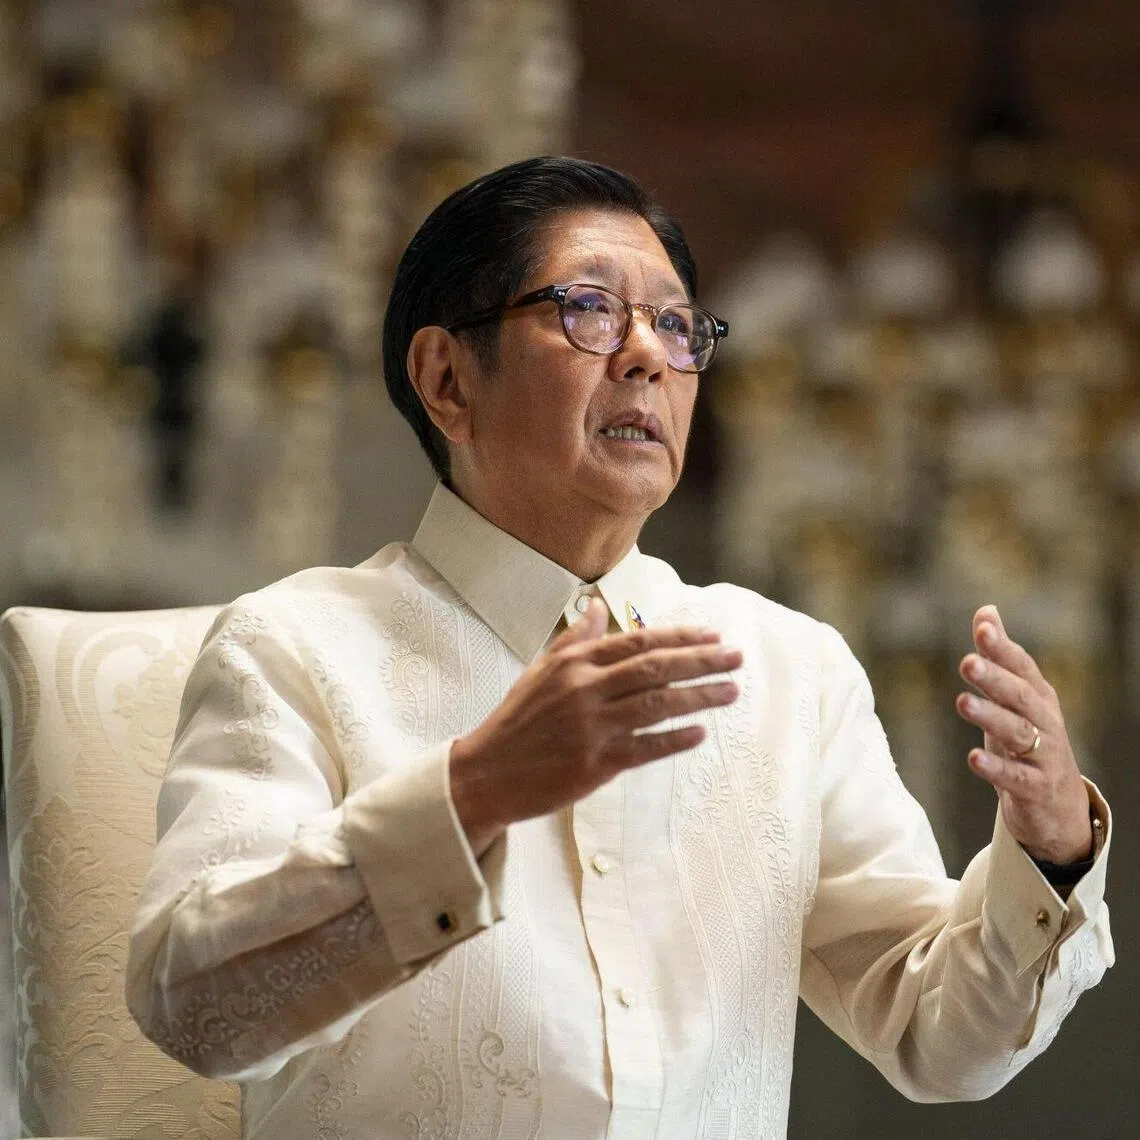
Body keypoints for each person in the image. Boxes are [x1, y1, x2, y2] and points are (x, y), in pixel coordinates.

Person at [126, 156, 1113, 1140]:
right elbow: (194, 1006)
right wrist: (476, 791)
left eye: (677, 325)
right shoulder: (295, 648)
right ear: (446, 378)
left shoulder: (787, 671)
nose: (647, 354)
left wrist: (1053, 848)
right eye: (590, 310)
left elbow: (938, 1040)